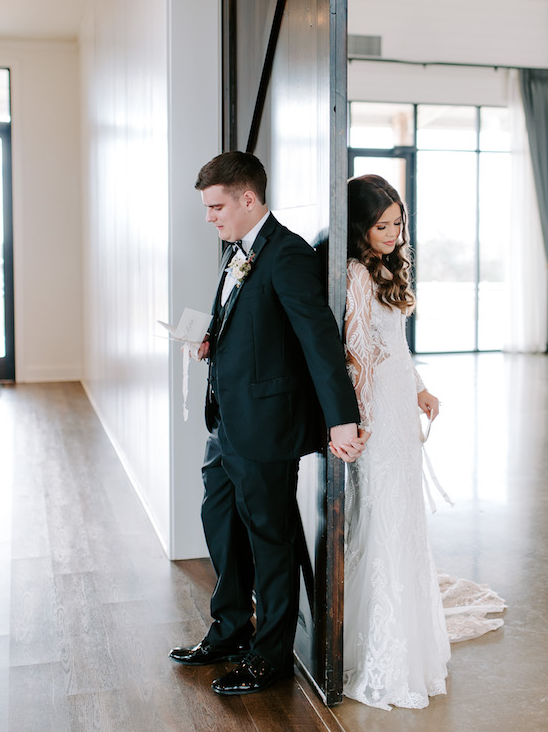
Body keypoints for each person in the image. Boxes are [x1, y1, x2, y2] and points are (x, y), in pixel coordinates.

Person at [169, 151, 365, 696]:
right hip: (225, 422)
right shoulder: (237, 251)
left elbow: (319, 341)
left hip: (265, 425)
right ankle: (230, 629)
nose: (210, 217)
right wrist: (212, 339)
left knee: (270, 539)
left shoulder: (288, 256)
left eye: (216, 207)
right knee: (221, 525)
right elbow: (246, 324)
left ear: (248, 199)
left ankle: (271, 655)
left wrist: (341, 420)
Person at [339, 174, 505, 711]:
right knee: (383, 517)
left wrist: (420, 389)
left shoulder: (385, 269)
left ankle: (408, 633)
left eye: (397, 223)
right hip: (376, 415)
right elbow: (358, 352)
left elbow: (395, 347)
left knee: (404, 517)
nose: (392, 233)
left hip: (396, 405)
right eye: (382, 224)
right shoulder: (355, 276)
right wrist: (360, 419)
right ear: (361, 225)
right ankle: (381, 648)